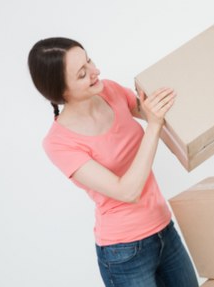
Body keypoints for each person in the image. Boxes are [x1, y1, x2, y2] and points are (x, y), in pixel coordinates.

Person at [28, 37, 199, 287]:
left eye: (89, 60)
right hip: (125, 253)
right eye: (82, 73)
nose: (95, 72)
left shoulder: (109, 90)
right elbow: (127, 191)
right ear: (61, 91)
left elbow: (158, 113)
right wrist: (153, 125)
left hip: (165, 229)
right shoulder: (58, 143)